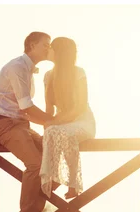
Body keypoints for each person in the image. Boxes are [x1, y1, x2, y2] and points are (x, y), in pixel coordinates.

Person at [0, 32, 55, 212]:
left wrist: (51, 124)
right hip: (5, 125)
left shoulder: (29, 70)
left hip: (21, 125)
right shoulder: (17, 67)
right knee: (35, 164)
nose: (49, 49)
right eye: (46, 45)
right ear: (32, 45)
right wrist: (53, 122)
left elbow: (25, 111)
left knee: (53, 158)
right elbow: (26, 106)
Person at [40, 37, 96, 199]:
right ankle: (53, 177)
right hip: (61, 122)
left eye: (51, 48)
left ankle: (73, 183)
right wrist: (47, 124)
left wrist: (54, 122)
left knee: (63, 132)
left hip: (82, 120)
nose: (48, 50)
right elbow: (49, 109)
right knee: (51, 132)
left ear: (59, 52)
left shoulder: (78, 72)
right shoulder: (48, 76)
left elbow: (80, 106)